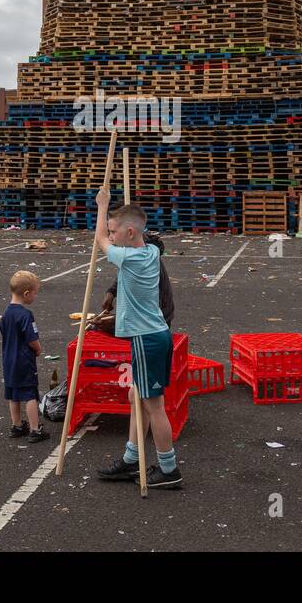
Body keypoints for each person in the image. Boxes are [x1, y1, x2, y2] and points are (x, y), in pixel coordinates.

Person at [92, 192, 182, 488]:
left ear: (130, 233)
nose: (111, 235)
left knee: (153, 404)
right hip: (154, 335)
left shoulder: (129, 257)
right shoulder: (150, 252)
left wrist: (102, 206)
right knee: (135, 396)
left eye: (115, 229)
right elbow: (148, 241)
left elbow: (100, 242)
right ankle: (132, 460)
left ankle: (169, 469)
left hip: (147, 339)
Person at [1, 270, 49, 442]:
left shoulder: (6, 313)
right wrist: (38, 349)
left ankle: (16, 425)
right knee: (30, 393)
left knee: (13, 392)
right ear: (26, 293)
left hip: (8, 360)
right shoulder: (25, 315)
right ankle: (35, 429)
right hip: (24, 360)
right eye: (35, 292)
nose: (36, 296)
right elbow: (32, 338)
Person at [98, 229, 175, 332]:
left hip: (153, 325)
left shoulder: (142, 262)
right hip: (146, 320)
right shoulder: (136, 253)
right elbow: (125, 277)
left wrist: (115, 321)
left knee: (97, 328)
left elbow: (149, 312)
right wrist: (111, 292)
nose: (110, 239)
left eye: (113, 232)